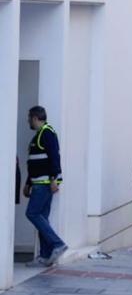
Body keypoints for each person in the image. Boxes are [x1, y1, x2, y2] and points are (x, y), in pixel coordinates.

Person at [24, 106, 67, 267]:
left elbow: (55, 157)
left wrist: (54, 179)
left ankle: (57, 244)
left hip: (44, 184)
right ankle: (45, 254)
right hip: (38, 182)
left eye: (29, 117)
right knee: (42, 217)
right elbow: (34, 162)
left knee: (32, 213)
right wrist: (28, 183)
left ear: (35, 117)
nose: (28, 121)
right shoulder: (38, 136)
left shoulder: (47, 133)